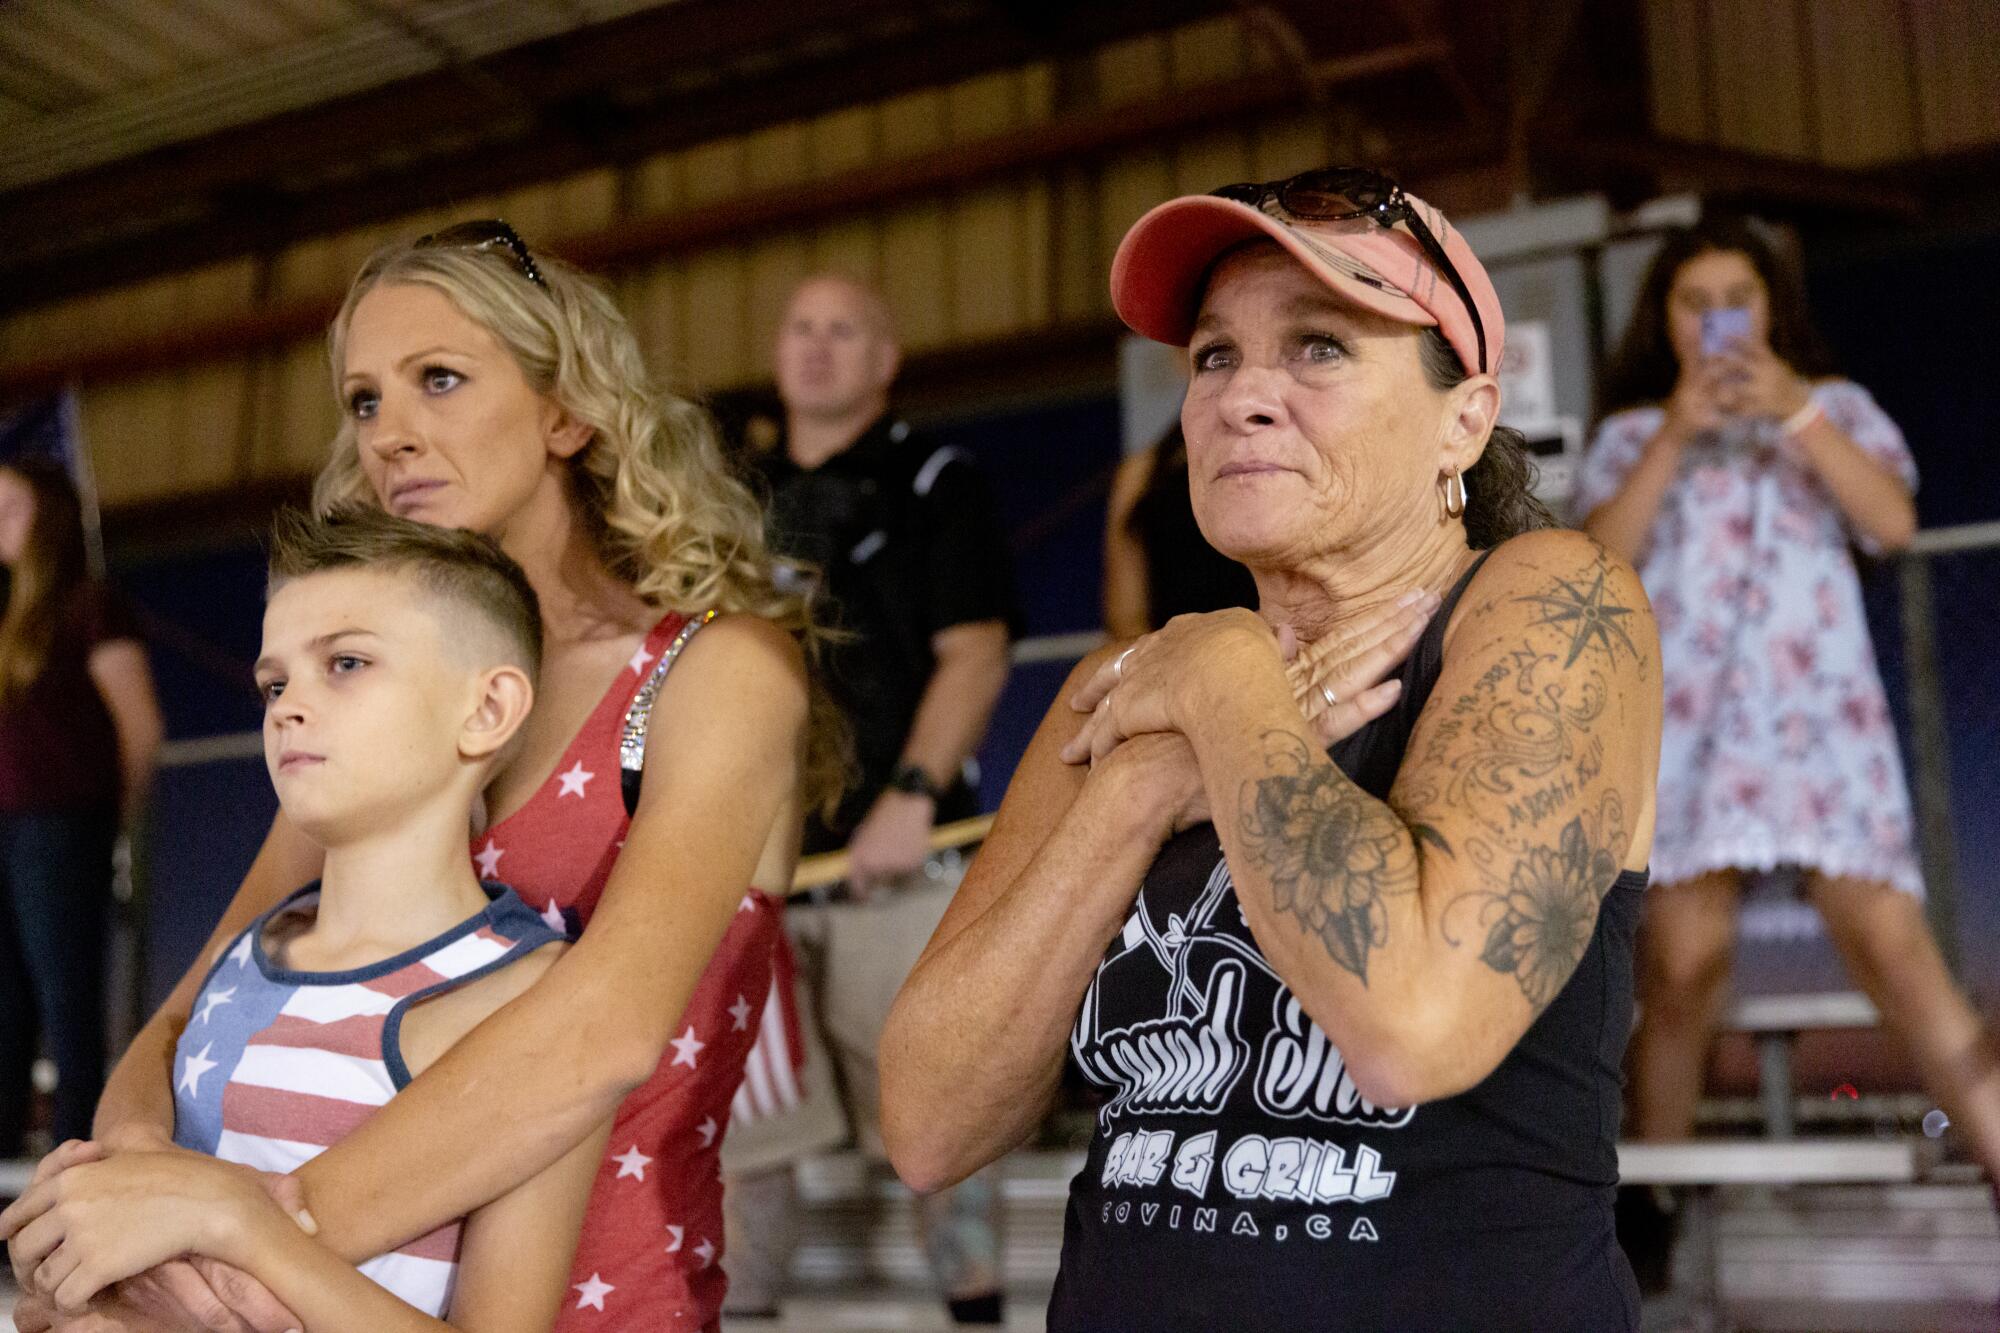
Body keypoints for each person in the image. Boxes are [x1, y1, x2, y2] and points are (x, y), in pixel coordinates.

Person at [11, 220, 832, 1333]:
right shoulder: (382, 701)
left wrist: (225, 1230)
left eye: (437, 379)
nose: (391, 434)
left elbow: (603, 1032)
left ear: (567, 408)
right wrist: (136, 1177)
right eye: (364, 401)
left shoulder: (714, 673)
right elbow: (186, 1015)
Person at [880, 167, 1664, 1330]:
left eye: (1319, 348)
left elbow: (1412, 1021)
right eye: (1212, 356)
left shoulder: (1548, 602)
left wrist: (1230, 681)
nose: (1242, 395)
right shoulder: (1120, 692)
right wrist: (1141, 784)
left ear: (1465, 417)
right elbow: (928, 1120)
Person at [1, 507, 610, 1329]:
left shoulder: (530, 996)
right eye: (275, 683)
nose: (288, 707)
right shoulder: (242, 956)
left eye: (347, 662)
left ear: (488, 708)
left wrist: (242, 1224)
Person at [1578, 217, 2000, 1183]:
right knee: (1683, 964)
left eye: (1739, 300)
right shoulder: (1636, 430)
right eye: (1696, 302)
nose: (1719, 321)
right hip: (1687, 729)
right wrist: (1680, 430)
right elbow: (1600, 561)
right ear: (1665, 318)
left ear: (1772, 311)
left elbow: (1892, 523)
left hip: (1819, 725)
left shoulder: (1834, 404)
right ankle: (1653, 1220)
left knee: (1897, 949)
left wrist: (1796, 413)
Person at [720, 274, 1018, 1324]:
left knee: (938, 1126)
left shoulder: (934, 476)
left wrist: (911, 794)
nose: (816, 346)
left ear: (883, 359)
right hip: (750, 876)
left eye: (843, 329)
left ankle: (974, 1313)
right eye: (799, 325)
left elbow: (976, 651)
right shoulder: (730, 497)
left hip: (898, 865)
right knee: (736, 1141)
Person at [0, 458, 162, 1153]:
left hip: (63, 822)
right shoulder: (8, 618)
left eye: (8, 504)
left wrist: (110, 820)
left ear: (49, 514)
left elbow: (141, 724)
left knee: (67, 998)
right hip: (5, 826)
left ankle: (77, 1158)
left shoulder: (89, 604)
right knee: (5, 1000)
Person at [1102, 424, 1256, 639]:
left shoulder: (1283, 466)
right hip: (1170, 657)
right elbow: (1125, 619)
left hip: (1271, 654)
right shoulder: (1144, 473)